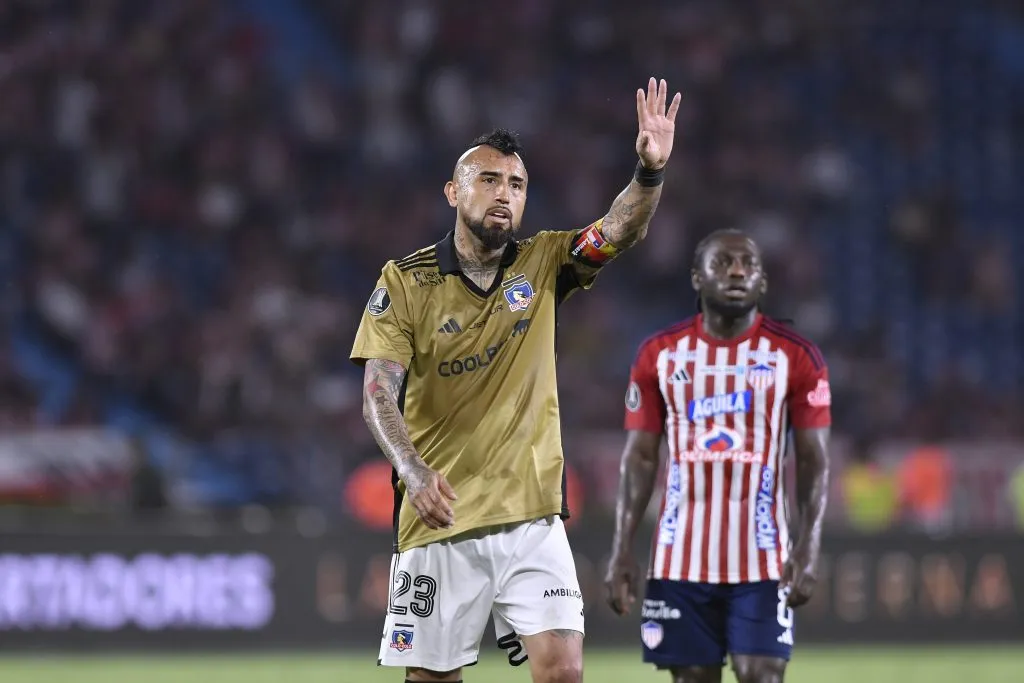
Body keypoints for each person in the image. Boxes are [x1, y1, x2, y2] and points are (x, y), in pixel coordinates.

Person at [351, 77, 682, 683]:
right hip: (441, 516)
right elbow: (378, 393)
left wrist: (649, 172)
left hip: (533, 516)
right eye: (489, 180)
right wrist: (413, 471)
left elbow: (618, 230)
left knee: (563, 672)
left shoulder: (546, 261)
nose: (504, 193)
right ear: (454, 191)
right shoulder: (405, 281)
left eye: (517, 184)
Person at [604, 229, 832, 683]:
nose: (737, 271)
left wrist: (809, 545)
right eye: (723, 262)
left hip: (764, 560)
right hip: (679, 559)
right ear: (697, 277)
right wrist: (622, 548)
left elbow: (814, 461)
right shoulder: (659, 355)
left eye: (748, 264)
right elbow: (640, 457)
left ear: (763, 281)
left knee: (760, 675)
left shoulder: (796, 356)